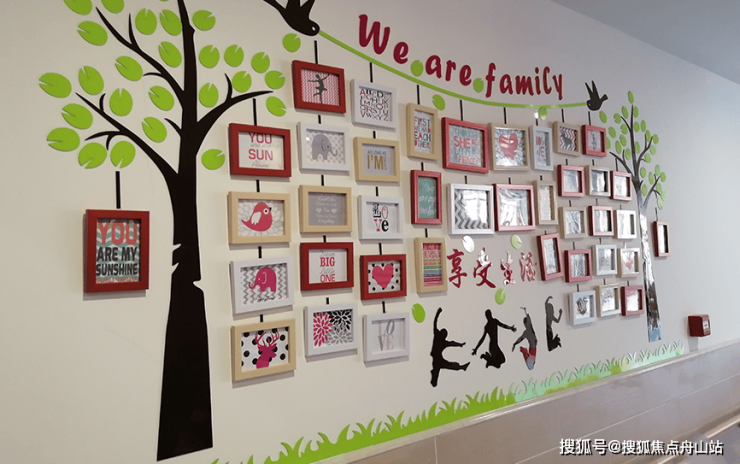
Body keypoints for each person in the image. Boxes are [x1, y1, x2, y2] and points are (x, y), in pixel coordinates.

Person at [430, 308, 469, 387]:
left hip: (437, 359)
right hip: (437, 359)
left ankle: (461, 367)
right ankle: (461, 367)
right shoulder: (439, 338)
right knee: (446, 367)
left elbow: (452, 343)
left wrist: (460, 344)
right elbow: (452, 343)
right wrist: (438, 313)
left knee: (446, 367)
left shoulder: (439, 337)